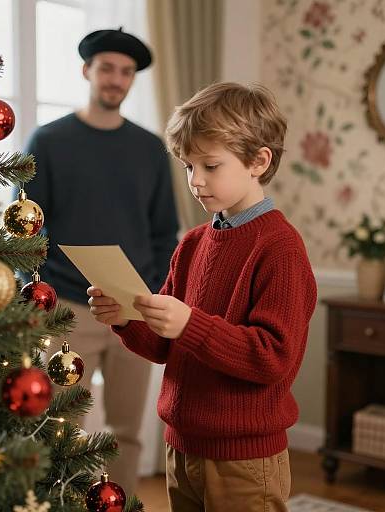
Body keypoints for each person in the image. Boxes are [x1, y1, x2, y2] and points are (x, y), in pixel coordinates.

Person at [87, 82, 318, 511]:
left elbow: (274, 357)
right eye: (188, 166)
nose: (195, 181)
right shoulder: (193, 243)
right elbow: (164, 345)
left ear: (258, 161)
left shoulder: (279, 247)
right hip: (183, 445)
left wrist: (190, 324)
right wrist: (125, 318)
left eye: (210, 166)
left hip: (245, 459)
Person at [23, 28, 179, 495]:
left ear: (133, 80)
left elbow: (163, 232)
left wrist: (151, 295)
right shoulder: (48, 140)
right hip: (66, 307)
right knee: (61, 426)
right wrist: (37, 295)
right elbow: (25, 227)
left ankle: (123, 505)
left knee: (127, 432)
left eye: (126, 72)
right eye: (107, 68)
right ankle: (61, 505)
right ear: (86, 70)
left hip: (134, 307)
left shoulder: (151, 148)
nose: (116, 79)